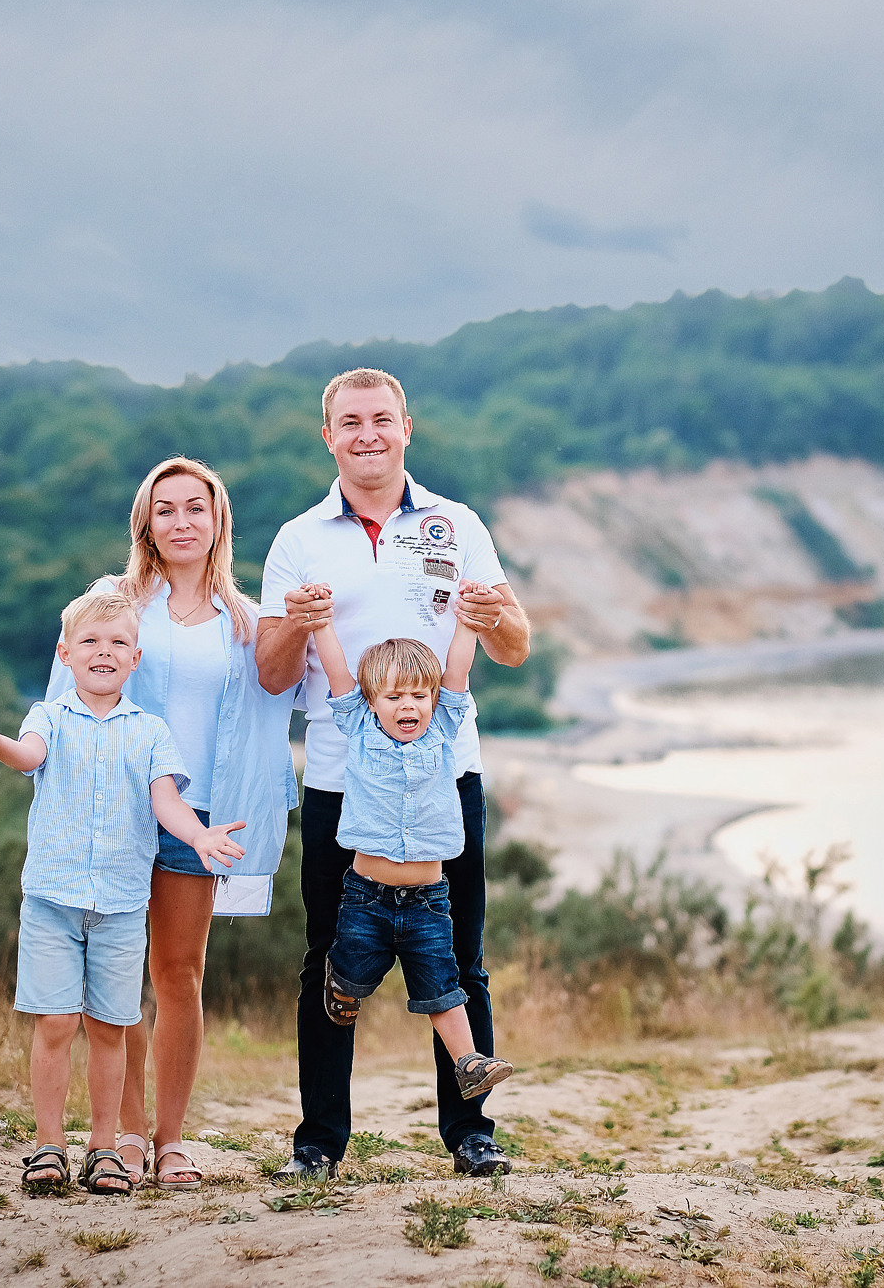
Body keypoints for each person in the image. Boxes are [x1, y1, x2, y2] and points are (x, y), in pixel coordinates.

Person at [256, 367, 533, 1179]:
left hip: (448, 777)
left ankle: (472, 1133)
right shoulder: (298, 539)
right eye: (350, 421)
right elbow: (272, 673)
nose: (367, 433)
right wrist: (297, 625)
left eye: (381, 418)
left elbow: (516, 645)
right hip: (340, 782)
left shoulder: (458, 523)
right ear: (328, 436)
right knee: (326, 959)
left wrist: (492, 617)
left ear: (407, 427)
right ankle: (318, 1143)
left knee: (462, 957)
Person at [43, 456, 299, 1190]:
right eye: (166, 510)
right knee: (117, 970)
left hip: (203, 814)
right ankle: (124, 1134)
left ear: (217, 522)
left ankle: (172, 1138)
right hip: (118, 810)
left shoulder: (248, 621)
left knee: (180, 974)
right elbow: (65, 701)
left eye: (196, 508)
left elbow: (284, 695)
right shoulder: (115, 602)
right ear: (146, 525)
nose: (181, 521)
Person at [0, 589, 247, 1195]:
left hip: (121, 907)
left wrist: (199, 835)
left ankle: (105, 1149)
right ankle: (48, 1146)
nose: (103, 652)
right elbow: (28, 757)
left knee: (109, 1027)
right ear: (66, 653)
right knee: (56, 1023)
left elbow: (167, 801)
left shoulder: (151, 732)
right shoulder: (47, 717)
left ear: (136, 658)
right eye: (90, 641)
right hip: (52, 901)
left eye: (117, 643)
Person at [308, 605, 515, 1100]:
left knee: (442, 984)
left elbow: (457, 670)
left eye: (420, 695)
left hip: (428, 902)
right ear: (371, 700)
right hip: (366, 898)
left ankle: (469, 1063)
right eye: (395, 696)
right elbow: (337, 671)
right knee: (355, 970)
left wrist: (466, 623)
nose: (410, 706)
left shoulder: (443, 728)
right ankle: (342, 984)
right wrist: (321, 625)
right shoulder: (358, 726)